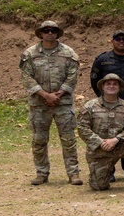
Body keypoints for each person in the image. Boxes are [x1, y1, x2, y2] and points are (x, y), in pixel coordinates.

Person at [20, 20, 82, 186]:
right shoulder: (30, 54)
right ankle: (41, 173)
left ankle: (73, 173)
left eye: (53, 30)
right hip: (39, 104)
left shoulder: (68, 53)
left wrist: (58, 94)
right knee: (39, 140)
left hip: (63, 103)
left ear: (57, 33)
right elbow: (26, 78)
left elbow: (73, 75)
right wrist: (45, 95)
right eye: (46, 30)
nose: (49, 33)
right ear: (40, 33)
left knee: (68, 140)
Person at [76, 73, 124, 192]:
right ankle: (99, 173)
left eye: (115, 84)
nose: (111, 86)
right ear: (102, 87)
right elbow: (82, 128)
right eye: (108, 83)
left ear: (119, 88)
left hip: (120, 145)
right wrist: (100, 142)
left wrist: (116, 139)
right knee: (99, 187)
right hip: (99, 149)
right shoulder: (90, 106)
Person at [90, 29, 124, 180]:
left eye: (123, 39)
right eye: (117, 39)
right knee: (107, 136)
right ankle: (108, 171)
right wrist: (105, 98)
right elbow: (95, 81)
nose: (121, 41)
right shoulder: (102, 59)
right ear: (112, 41)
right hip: (107, 105)